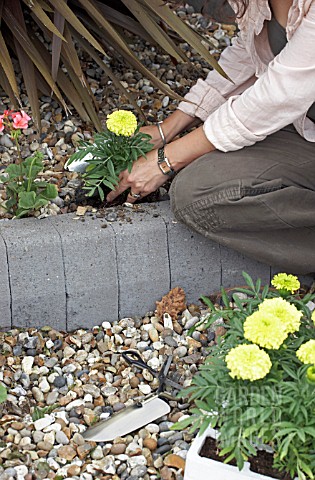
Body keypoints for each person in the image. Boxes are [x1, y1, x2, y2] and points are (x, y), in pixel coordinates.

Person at [106, 0, 315, 274]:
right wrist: (167, 130)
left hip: (288, 108)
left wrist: (165, 160)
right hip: (304, 127)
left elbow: (278, 95)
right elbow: (247, 55)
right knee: (197, 191)